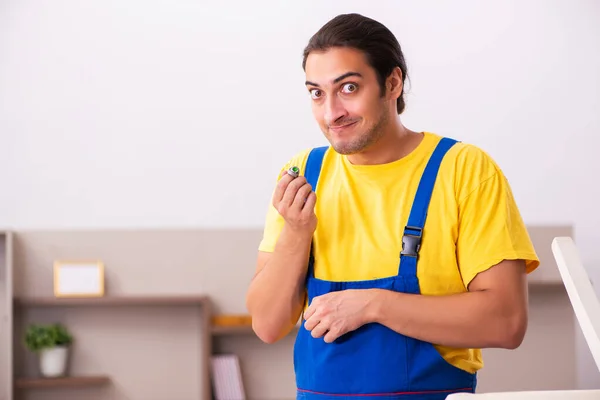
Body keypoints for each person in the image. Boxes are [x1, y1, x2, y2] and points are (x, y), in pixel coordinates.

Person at [245, 12, 540, 400]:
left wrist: (373, 305)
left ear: (393, 83)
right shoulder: (303, 175)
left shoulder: (464, 171)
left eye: (348, 88)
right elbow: (267, 325)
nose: (331, 113)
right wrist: (297, 233)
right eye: (317, 93)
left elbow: (506, 322)